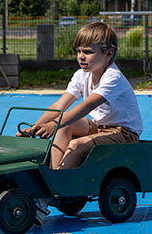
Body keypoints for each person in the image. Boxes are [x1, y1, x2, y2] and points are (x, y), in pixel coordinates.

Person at [17, 21, 143, 225]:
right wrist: (35, 127)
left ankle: (47, 196)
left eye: (88, 52)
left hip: (124, 132)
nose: (81, 57)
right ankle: (56, 181)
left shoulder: (113, 77)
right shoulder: (81, 75)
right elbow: (61, 104)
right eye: (78, 51)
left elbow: (85, 106)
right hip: (99, 127)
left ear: (108, 54)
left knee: (76, 144)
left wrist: (53, 125)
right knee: (65, 124)